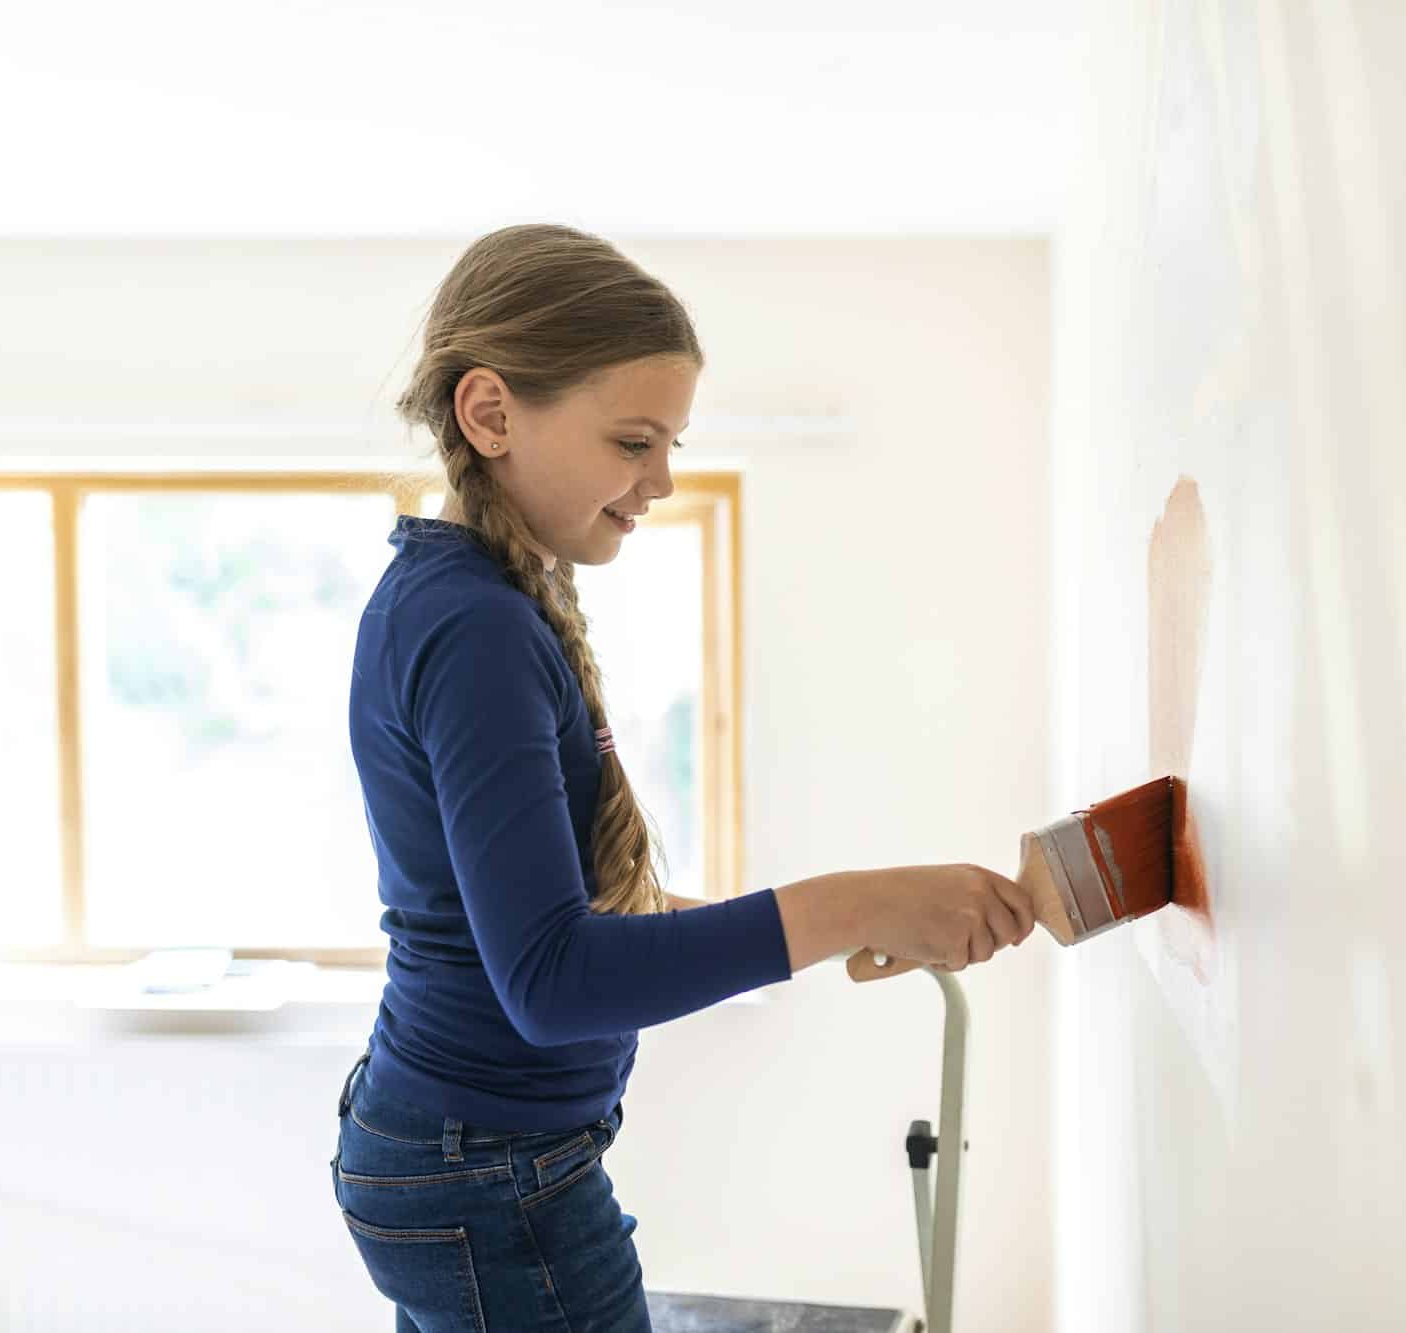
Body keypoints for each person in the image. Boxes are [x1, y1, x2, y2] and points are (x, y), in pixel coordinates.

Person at [329, 222, 1033, 1332]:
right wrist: (859, 899)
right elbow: (552, 980)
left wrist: (825, 931)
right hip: (488, 1173)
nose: (663, 478)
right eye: (632, 440)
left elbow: (537, 922)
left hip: (459, 1155)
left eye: (671, 443)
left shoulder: (468, 602)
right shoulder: (471, 626)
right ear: (491, 413)